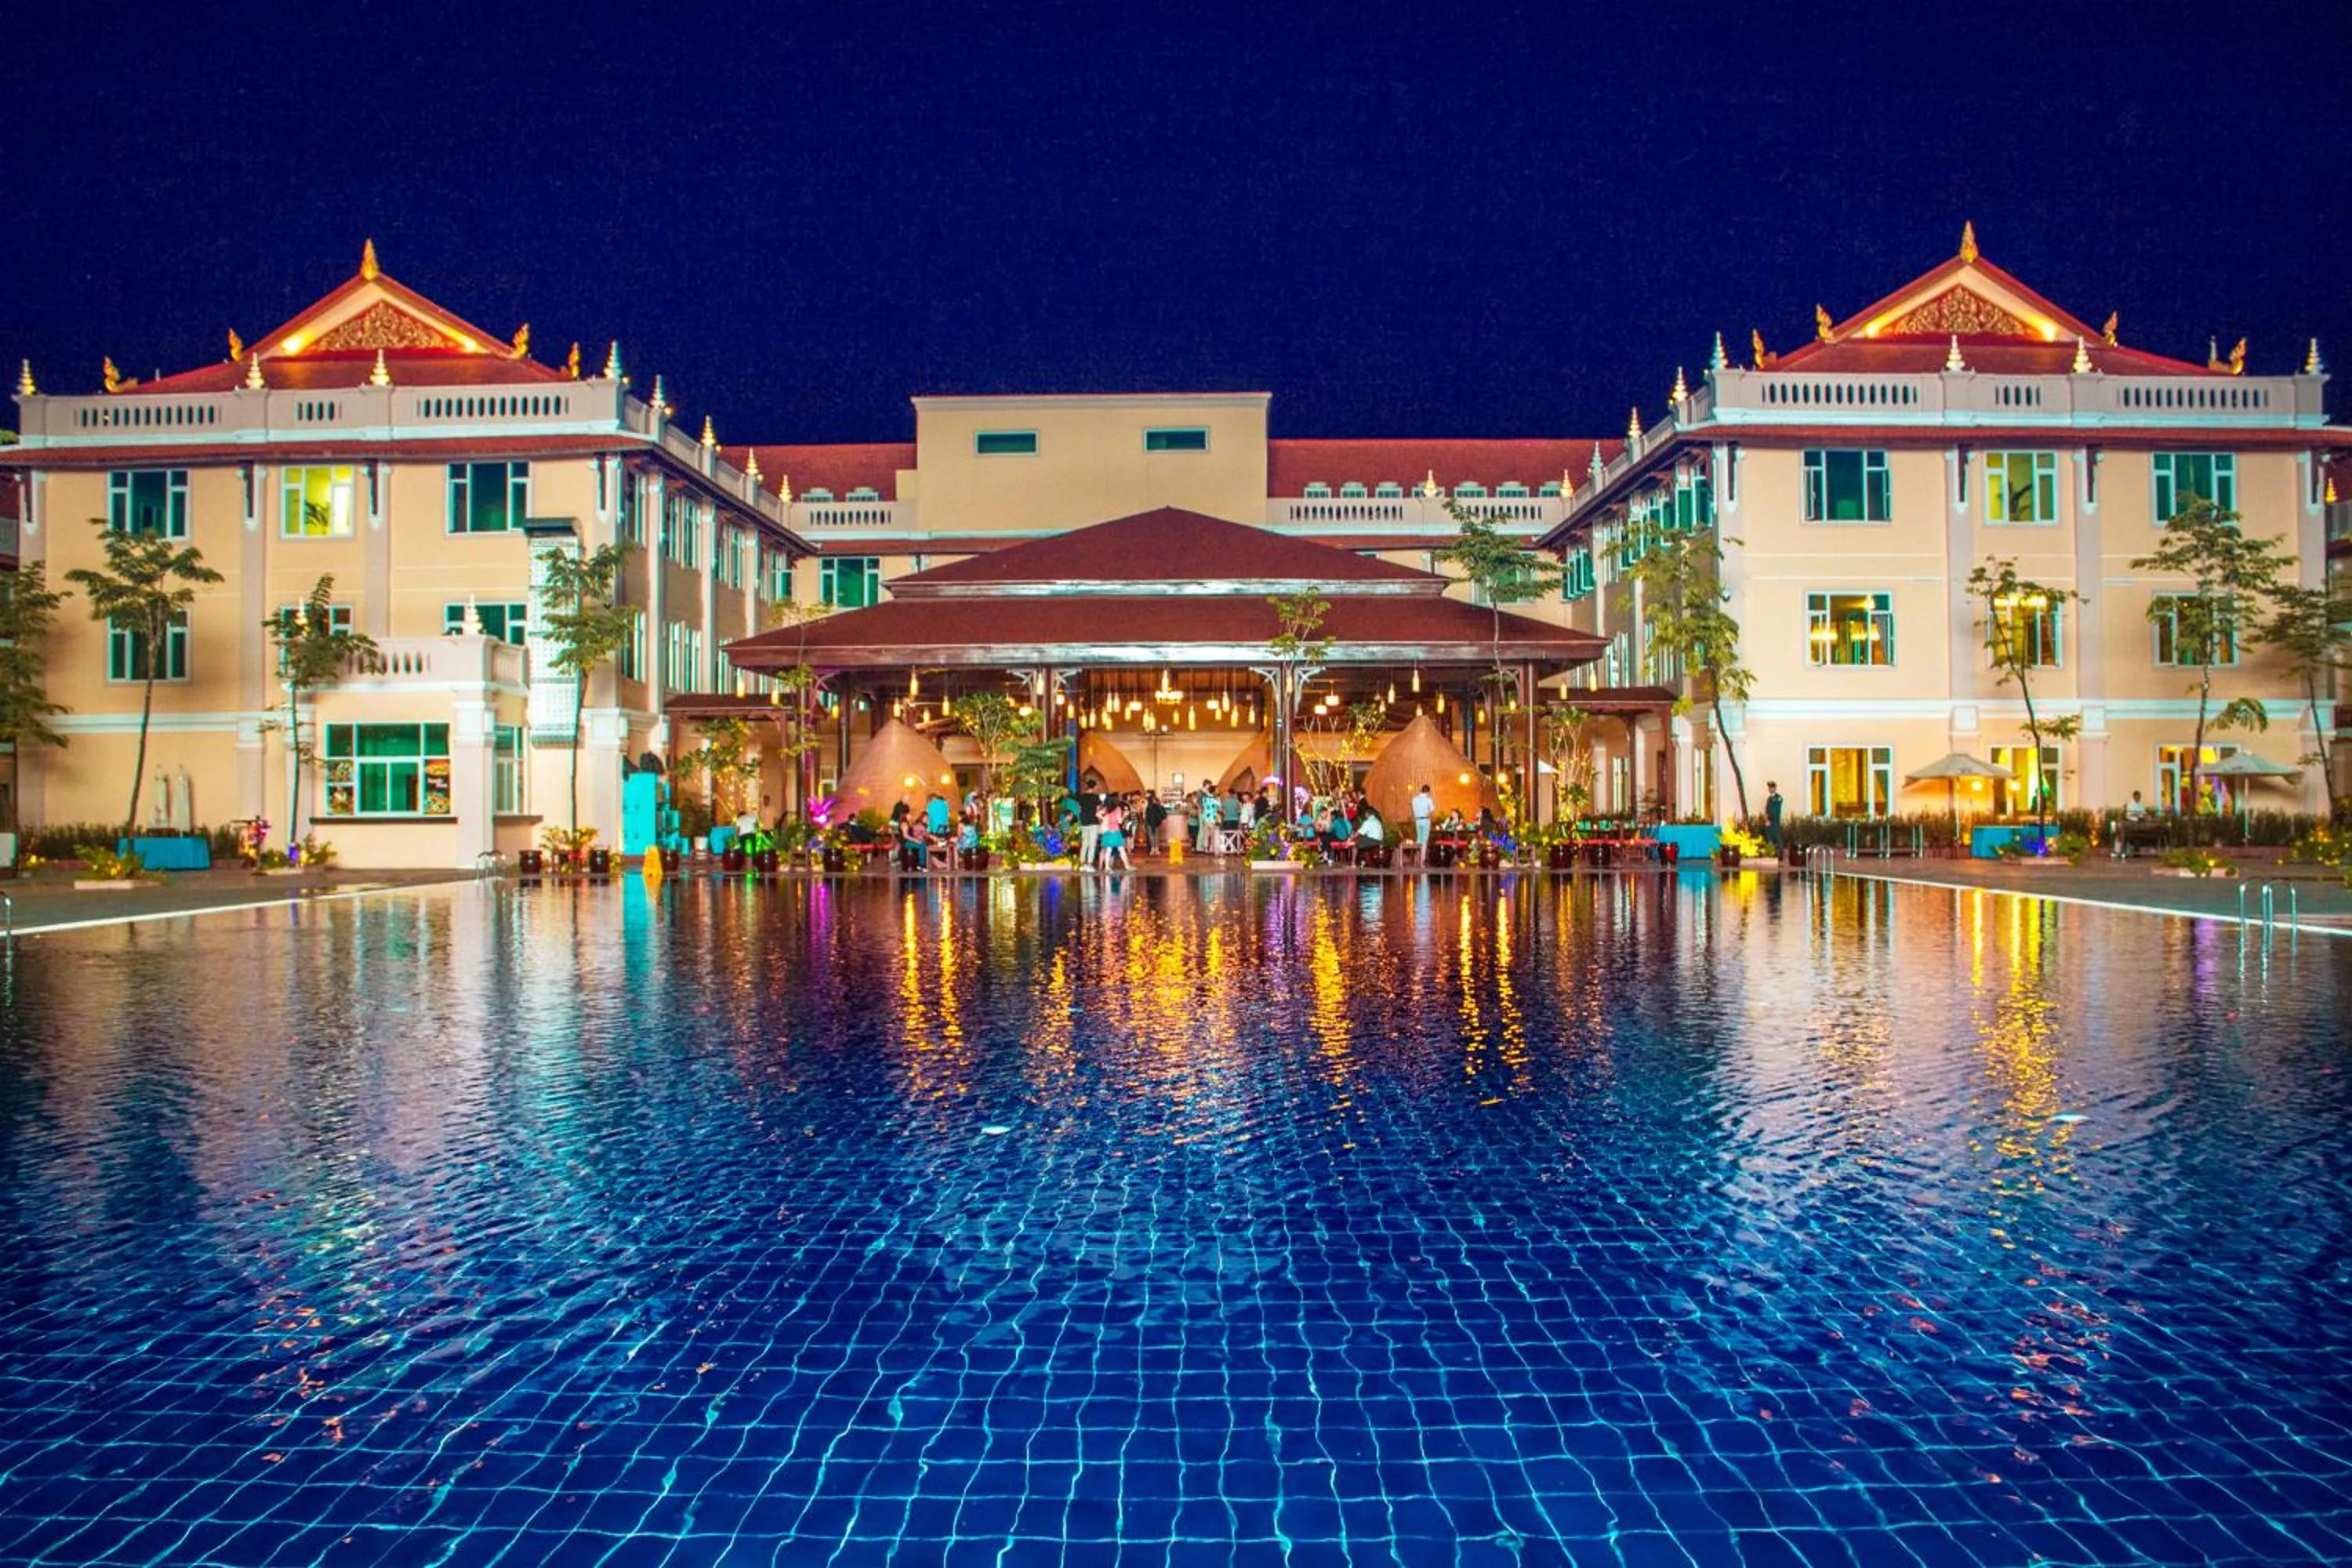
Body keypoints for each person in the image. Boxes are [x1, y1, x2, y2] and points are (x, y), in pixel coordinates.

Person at [1099, 797, 1132, 873]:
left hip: (1108, 832)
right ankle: (1127, 866)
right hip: (1116, 832)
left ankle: (1107, 867)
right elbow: (1120, 821)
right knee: (1121, 850)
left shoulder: (1106, 809)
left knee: (1108, 850)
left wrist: (1104, 818)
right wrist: (1124, 815)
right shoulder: (1118, 809)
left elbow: (1097, 814)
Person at [1076, 787, 1102, 869]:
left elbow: (1079, 809)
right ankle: (1089, 864)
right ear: (1093, 788)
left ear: (1086, 789)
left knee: (1084, 843)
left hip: (1084, 823)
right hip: (1093, 823)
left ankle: (1082, 863)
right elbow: (1098, 810)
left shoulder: (1081, 797)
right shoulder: (1096, 797)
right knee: (1092, 844)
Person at [1411, 783, 1435, 852]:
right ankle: (1422, 858)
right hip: (1425, 820)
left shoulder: (1414, 799)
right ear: (1428, 792)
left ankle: (1417, 857)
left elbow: (1413, 810)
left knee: (1419, 839)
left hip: (1418, 820)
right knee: (1424, 840)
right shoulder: (1428, 799)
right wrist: (1428, 813)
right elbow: (1431, 810)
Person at [1764, 782, 1784, 858]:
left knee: (1778, 837)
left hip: (1775, 821)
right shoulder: (1769, 799)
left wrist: (1770, 820)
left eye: (1772, 787)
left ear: (1775, 788)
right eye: (1769, 787)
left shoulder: (1779, 798)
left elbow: (1775, 810)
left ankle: (1780, 854)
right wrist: (1766, 819)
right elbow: (1767, 809)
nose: (1771, 789)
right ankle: (1771, 854)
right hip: (1769, 822)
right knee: (1770, 838)